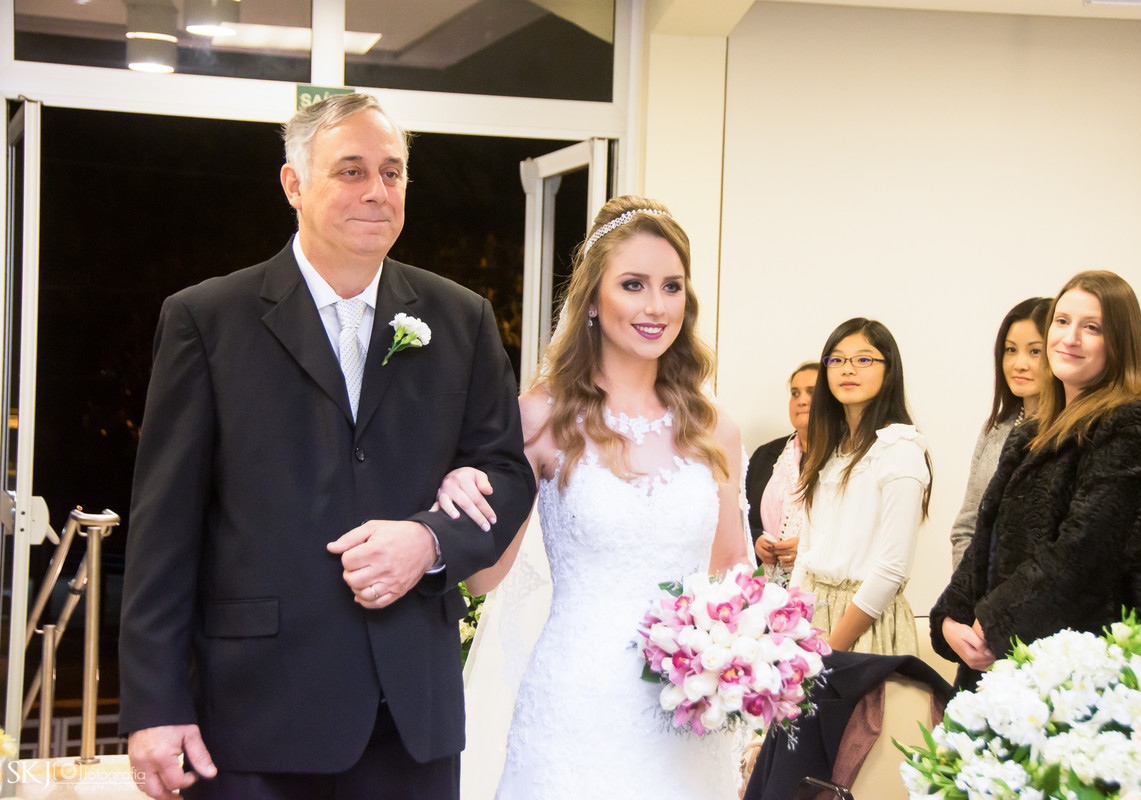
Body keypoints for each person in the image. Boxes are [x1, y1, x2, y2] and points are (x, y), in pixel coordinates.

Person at [118, 93, 537, 800]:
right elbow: (165, 529)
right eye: (351, 170)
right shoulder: (206, 320)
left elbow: (506, 471)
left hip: (410, 715)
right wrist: (155, 708)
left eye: (393, 172)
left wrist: (429, 541)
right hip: (253, 718)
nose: (378, 191)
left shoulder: (461, 318)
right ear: (294, 184)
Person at [435, 196, 751, 799]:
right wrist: (463, 491)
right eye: (633, 285)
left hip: (684, 716)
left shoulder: (717, 429)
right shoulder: (542, 418)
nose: (656, 306)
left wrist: (753, 662)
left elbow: (731, 574)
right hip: (576, 707)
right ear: (592, 299)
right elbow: (482, 581)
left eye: (671, 286)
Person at [931, 270, 1141, 690]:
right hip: (1003, 658)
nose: (1069, 338)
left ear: (1119, 341)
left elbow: (1084, 550)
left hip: (1080, 668)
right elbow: (984, 534)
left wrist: (992, 620)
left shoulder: (1131, 422)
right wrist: (952, 616)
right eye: (1061, 321)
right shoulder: (1030, 431)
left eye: (1091, 327)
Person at [788, 318, 931, 656]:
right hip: (811, 620)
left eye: (863, 359)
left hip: (864, 624)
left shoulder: (900, 448)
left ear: (888, 370)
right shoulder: (829, 450)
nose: (847, 369)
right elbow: (805, 554)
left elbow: (892, 568)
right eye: (836, 360)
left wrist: (831, 648)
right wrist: (791, 627)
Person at [949, 297, 1051, 569]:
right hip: (977, 599)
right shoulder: (995, 428)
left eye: (1035, 352)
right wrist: (965, 598)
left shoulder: (1068, 434)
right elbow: (966, 526)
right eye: (1010, 350)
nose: (1019, 363)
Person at [747, 362, 819, 582]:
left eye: (812, 392)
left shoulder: (847, 459)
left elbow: (856, 534)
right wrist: (757, 539)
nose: (802, 400)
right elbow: (741, 516)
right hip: (764, 588)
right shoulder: (766, 455)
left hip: (825, 591)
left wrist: (810, 550)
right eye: (795, 393)